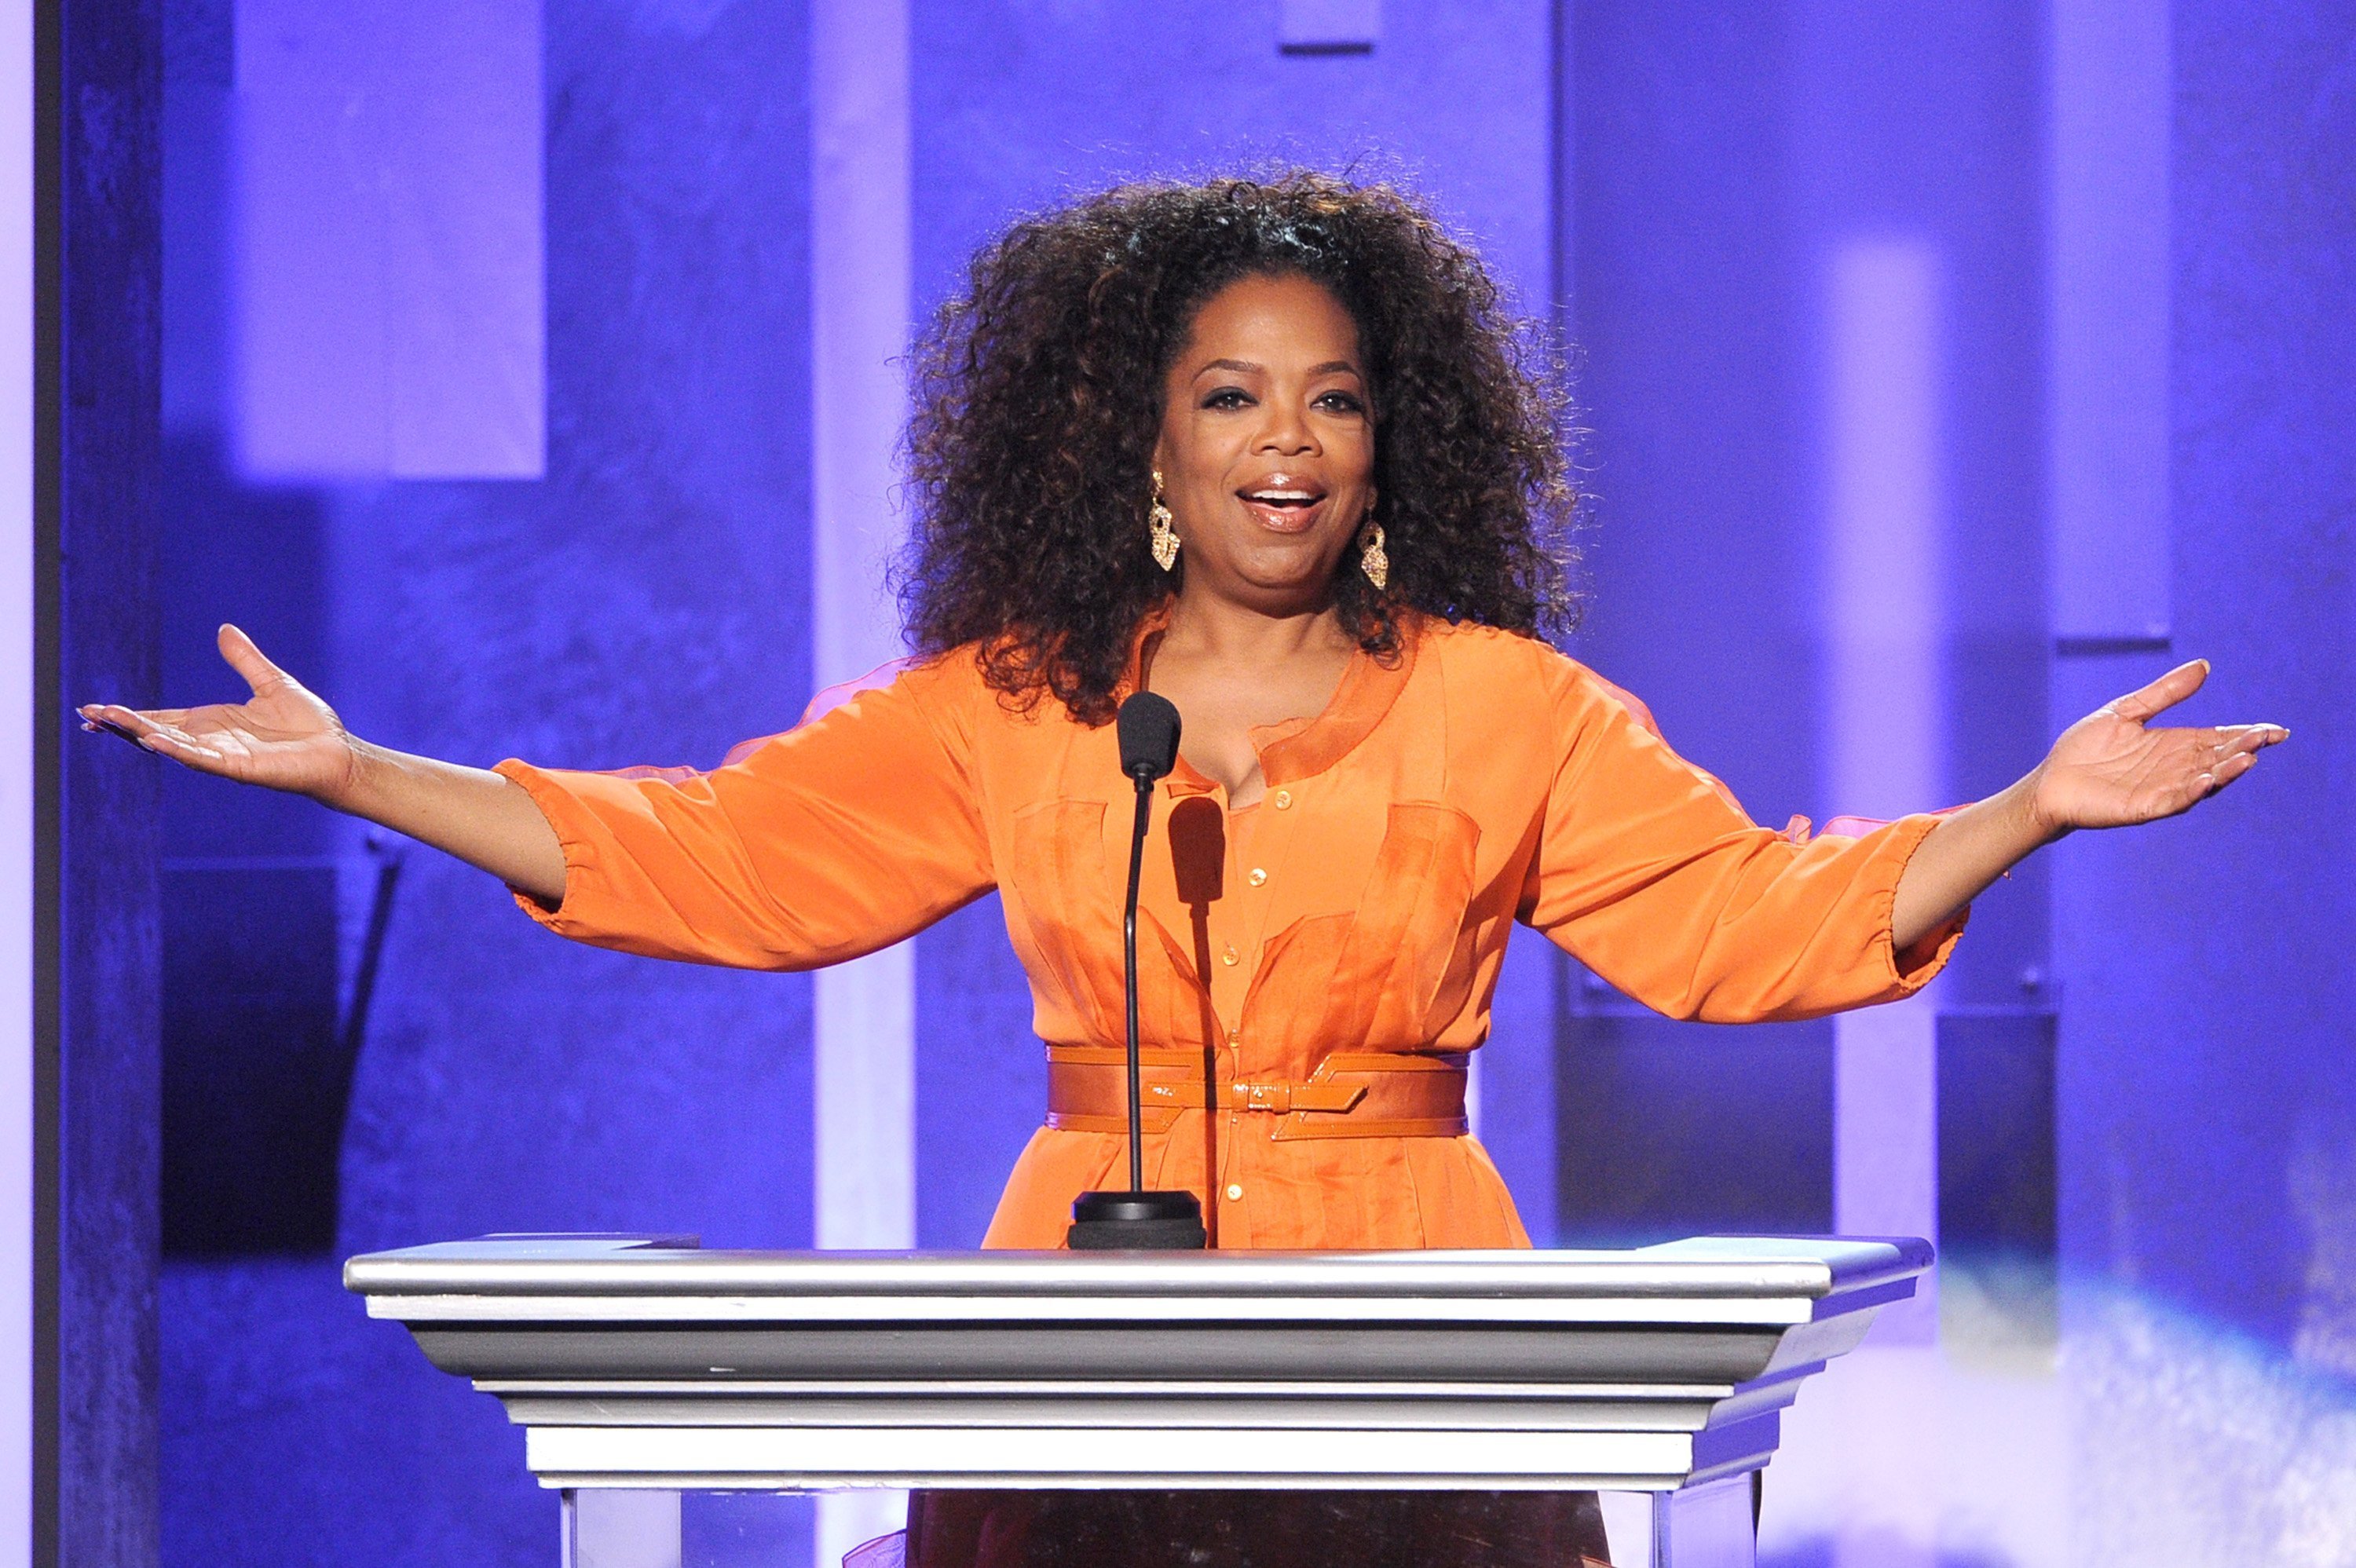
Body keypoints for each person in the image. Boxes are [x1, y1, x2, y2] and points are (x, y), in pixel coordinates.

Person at [83, 173, 2285, 1566]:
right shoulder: (1023, 698)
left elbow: (1741, 921)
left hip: (1426, 1307)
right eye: (1231, 398)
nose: (1286, 445)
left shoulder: (1509, 705)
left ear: (1391, 437)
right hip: (1080, 1309)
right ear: (1140, 442)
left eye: (1329, 400)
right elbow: (726, 859)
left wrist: (2019, 808)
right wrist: (370, 770)